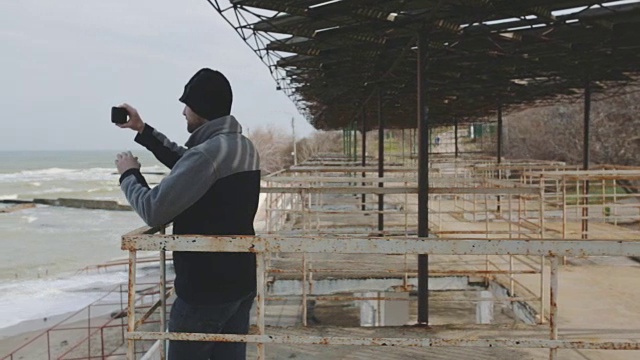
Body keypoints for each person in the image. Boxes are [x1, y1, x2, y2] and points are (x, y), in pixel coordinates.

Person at [114, 68, 261, 360]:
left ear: (202, 109)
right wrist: (143, 131)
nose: (183, 112)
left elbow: (153, 210)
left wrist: (128, 174)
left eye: (187, 105)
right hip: (240, 283)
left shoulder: (207, 154)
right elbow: (187, 163)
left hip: (205, 293)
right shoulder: (241, 146)